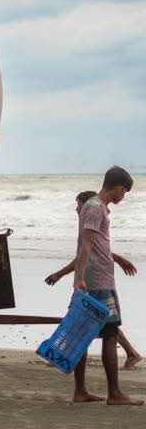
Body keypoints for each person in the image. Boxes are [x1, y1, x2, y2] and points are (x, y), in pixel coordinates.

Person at [50, 166, 141, 405]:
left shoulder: (95, 208)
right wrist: (79, 279)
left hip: (95, 278)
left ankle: (81, 391)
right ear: (118, 187)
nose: (124, 196)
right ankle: (114, 393)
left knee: (83, 332)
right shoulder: (94, 208)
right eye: (125, 192)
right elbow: (86, 246)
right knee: (110, 334)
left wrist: (116, 261)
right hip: (97, 281)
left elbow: (96, 245)